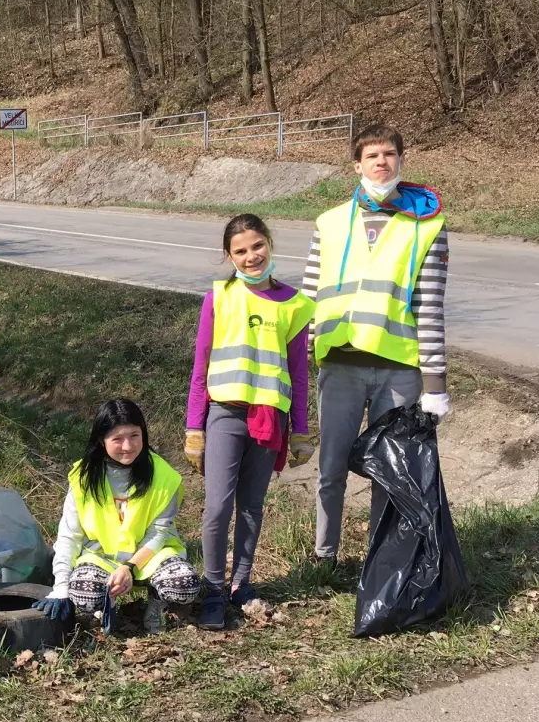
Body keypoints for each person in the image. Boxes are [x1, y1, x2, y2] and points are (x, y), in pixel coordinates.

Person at [301, 124, 449, 565]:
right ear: (357, 164)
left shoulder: (426, 227)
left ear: (401, 160)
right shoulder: (328, 223)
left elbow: (430, 308)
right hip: (340, 367)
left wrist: (435, 384)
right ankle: (324, 557)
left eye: (389, 154)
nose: (381, 162)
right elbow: (309, 298)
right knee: (330, 470)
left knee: (392, 471)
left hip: (398, 369)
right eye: (372, 156)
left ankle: (382, 561)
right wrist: (297, 362)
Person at [184, 214, 316, 630]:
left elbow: (298, 373)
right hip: (225, 414)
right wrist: (194, 427)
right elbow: (201, 367)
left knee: (253, 506)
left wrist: (300, 430)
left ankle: (242, 583)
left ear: (270, 244)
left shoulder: (295, 303)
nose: (251, 256)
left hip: (269, 419)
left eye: (257, 246)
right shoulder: (220, 296)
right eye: (240, 250)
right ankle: (213, 588)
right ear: (229, 256)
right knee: (219, 505)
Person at [33, 399, 200, 634]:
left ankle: (156, 606)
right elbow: (69, 535)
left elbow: (159, 532)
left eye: (134, 436)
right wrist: (61, 586)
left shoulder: (164, 476)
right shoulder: (83, 478)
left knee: (184, 584)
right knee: (82, 594)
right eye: (117, 439)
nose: (127, 446)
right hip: (102, 556)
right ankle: (107, 602)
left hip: (149, 556)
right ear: (102, 441)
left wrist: (129, 568)